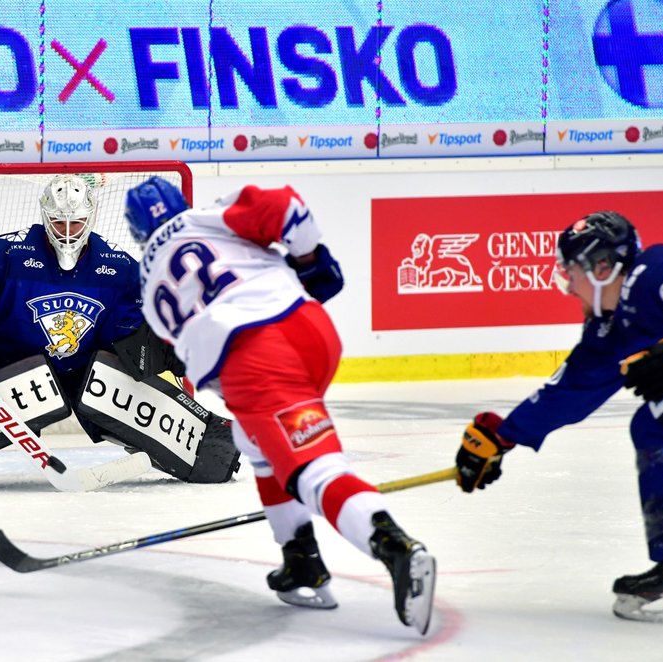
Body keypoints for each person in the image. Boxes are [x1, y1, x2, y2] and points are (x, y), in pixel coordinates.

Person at [124, 177, 437, 635]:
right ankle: (301, 561)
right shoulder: (210, 215)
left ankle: (395, 546)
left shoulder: (149, 287)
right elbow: (288, 208)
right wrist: (308, 259)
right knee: (250, 441)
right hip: (309, 327)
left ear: (137, 234)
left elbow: (195, 353)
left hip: (258, 359)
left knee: (313, 472)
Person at [0, 174, 239, 489]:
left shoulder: (116, 266)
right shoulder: (10, 253)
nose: (67, 232)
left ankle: (210, 446)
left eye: (75, 224)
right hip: (13, 369)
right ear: (45, 217)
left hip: (85, 374)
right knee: (5, 404)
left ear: (90, 218)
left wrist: (168, 342)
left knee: (112, 389)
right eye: (59, 223)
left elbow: (150, 308)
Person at [455, 211, 663, 624]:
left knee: (653, 424)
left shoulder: (660, 270)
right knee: (653, 426)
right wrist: (503, 436)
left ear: (602, 267)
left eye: (571, 271)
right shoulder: (615, 324)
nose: (566, 285)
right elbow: (574, 387)